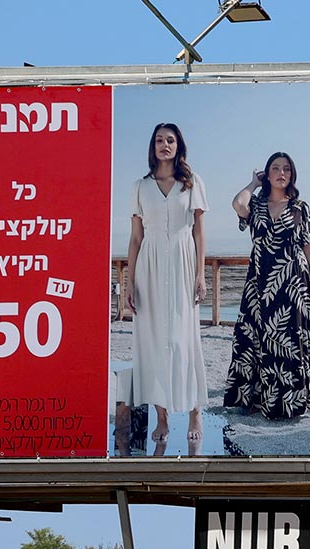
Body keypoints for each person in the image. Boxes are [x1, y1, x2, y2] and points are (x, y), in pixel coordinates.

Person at [118, 123, 207, 455]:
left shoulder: (192, 183)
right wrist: (129, 281)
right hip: (150, 267)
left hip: (183, 263)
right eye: (159, 140)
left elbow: (199, 232)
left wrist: (201, 274)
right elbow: (136, 238)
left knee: (183, 339)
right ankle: (162, 416)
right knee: (154, 341)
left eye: (170, 140)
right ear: (152, 147)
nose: (164, 145)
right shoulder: (139, 187)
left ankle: (196, 411)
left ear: (178, 146)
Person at [222, 152, 310, 421]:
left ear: (292, 174)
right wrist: (254, 183)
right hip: (260, 280)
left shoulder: (301, 207)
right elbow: (237, 204)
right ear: (267, 174)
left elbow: (309, 249)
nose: (281, 173)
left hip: (293, 282)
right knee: (251, 336)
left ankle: (289, 402)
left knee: (289, 338)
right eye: (275, 168)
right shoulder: (256, 205)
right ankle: (254, 399)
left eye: (286, 168)